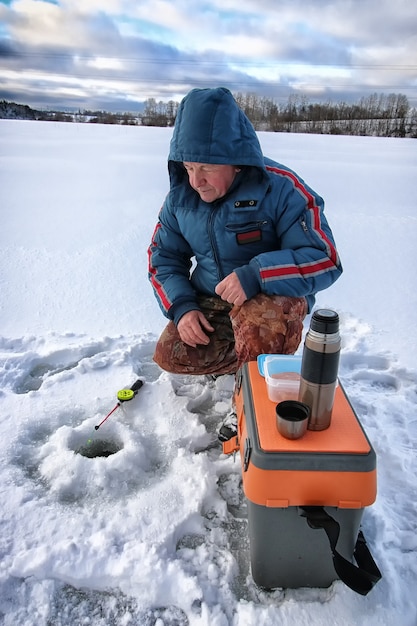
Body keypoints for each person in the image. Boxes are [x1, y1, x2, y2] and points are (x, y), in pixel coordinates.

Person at [148, 87, 342, 440]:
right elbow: (163, 257)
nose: (196, 181)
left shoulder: (282, 189)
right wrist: (183, 307)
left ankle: (252, 401)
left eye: (206, 166)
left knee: (262, 323)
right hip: (214, 299)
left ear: (235, 158)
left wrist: (257, 274)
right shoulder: (180, 198)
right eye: (188, 167)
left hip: (270, 300)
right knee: (169, 352)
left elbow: (324, 259)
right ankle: (244, 362)